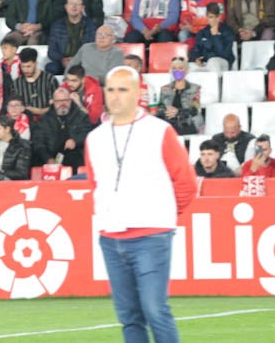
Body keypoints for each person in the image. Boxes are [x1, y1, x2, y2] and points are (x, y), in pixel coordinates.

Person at [85, 66, 198, 343]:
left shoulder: (160, 131)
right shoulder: (94, 138)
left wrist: (162, 217)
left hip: (151, 235)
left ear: (137, 93)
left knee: (155, 310)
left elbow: (186, 184)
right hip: (111, 238)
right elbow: (95, 185)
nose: (115, 96)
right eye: (110, 89)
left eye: (123, 89)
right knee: (128, 317)